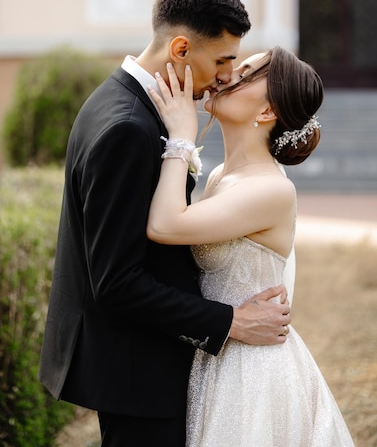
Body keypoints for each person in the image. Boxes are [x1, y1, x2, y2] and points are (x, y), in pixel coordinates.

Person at [38, 0, 292, 447]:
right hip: (138, 372)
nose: (223, 75)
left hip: (147, 365)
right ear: (180, 49)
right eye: (220, 60)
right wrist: (231, 322)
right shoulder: (128, 128)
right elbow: (116, 281)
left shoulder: (123, 102)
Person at [147, 47, 355, 446]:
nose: (226, 75)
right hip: (218, 355)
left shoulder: (269, 190)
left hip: (252, 372)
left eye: (244, 72)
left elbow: (164, 224)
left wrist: (180, 139)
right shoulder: (223, 176)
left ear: (266, 113)